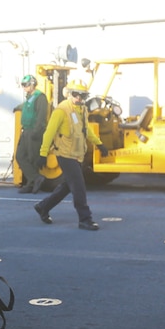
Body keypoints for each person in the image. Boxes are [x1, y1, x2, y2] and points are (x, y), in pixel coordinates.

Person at [33, 80, 104, 230]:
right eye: (76, 94)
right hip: (64, 154)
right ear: (70, 94)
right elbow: (49, 133)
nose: (79, 98)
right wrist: (43, 153)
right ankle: (85, 219)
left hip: (77, 154)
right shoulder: (61, 110)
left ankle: (43, 206)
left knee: (68, 185)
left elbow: (87, 130)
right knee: (78, 186)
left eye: (82, 95)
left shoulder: (82, 109)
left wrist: (99, 144)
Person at [14, 74, 49, 194]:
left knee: (32, 157)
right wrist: (17, 107)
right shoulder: (30, 97)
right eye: (23, 85)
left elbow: (41, 115)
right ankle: (35, 178)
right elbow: (26, 106)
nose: (24, 87)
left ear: (33, 84)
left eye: (26, 85)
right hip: (26, 130)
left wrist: (37, 130)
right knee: (20, 156)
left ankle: (31, 183)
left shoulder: (40, 97)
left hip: (34, 131)